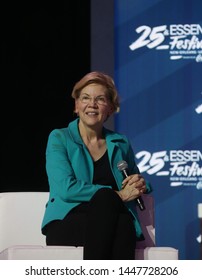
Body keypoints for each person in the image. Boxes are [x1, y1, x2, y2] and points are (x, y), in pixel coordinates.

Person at [41, 71, 152, 260]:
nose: (92, 104)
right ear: (76, 106)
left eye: (100, 99)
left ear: (110, 108)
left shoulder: (120, 142)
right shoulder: (59, 138)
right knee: (107, 202)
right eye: (85, 98)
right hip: (67, 221)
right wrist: (117, 195)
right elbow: (66, 189)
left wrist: (140, 183)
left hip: (113, 221)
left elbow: (134, 179)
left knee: (124, 221)